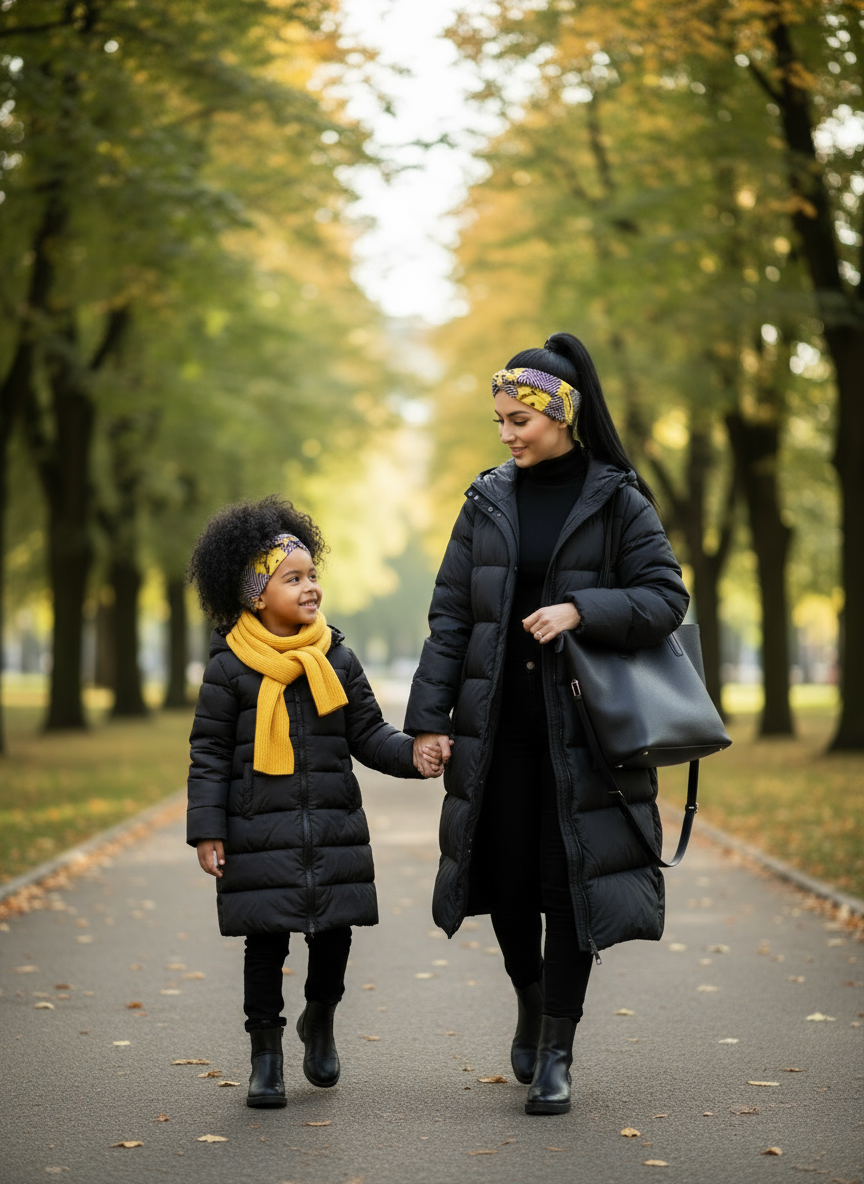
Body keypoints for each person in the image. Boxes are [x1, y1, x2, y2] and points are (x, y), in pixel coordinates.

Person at [407, 332, 689, 1116]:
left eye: (517, 420)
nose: (506, 434)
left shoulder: (618, 499)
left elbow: (666, 597)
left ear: (559, 413)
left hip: (588, 736)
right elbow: (451, 618)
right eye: (498, 421)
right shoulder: (485, 501)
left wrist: (580, 609)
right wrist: (430, 722)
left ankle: (559, 1048)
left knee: (571, 884)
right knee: (503, 880)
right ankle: (529, 1001)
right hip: (498, 731)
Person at [186, 495, 441, 1109]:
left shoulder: (337, 658)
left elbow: (369, 735)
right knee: (265, 944)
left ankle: (319, 1019)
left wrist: (414, 756)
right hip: (257, 833)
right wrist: (207, 831)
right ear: (255, 595)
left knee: (333, 937)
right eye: (291, 578)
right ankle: (265, 1057)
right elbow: (210, 755)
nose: (310, 588)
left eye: (312, 575)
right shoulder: (229, 670)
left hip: (332, 828)